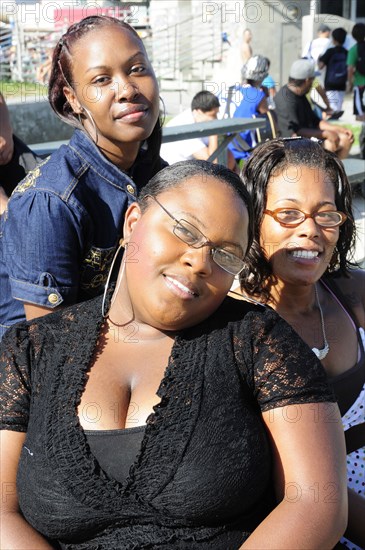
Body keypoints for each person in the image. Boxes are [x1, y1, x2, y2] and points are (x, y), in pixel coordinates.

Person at [0, 159, 347, 549]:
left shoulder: (259, 340)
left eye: (225, 254)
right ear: (133, 223)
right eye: (184, 230)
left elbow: (316, 503)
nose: (199, 262)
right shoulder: (31, 349)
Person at [0, 15, 166, 341]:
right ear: (73, 98)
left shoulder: (162, 178)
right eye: (102, 80)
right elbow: (50, 351)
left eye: (137, 69)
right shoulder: (50, 202)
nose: (128, 90)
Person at [236, 137, 365, 550]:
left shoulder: (352, 293)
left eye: (326, 215)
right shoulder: (233, 325)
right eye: (288, 214)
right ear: (254, 216)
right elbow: (297, 490)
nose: (310, 230)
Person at [274, 58, 354, 159]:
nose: (313, 83)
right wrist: (325, 134)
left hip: (309, 137)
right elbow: (294, 133)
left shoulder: (300, 94)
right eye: (312, 80)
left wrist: (339, 129)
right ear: (307, 80)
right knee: (328, 145)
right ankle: (327, 172)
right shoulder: (284, 100)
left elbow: (316, 121)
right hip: (294, 145)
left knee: (346, 139)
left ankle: (339, 172)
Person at [160, 91, 236, 170]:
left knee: (229, 158)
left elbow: (225, 154)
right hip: (175, 171)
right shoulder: (184, 127)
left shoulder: (200, 119)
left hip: (190, 165)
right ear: (197, 112)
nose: (216, 119)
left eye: (216, 114)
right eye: (212, 115)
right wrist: (214, 133)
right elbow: (212, 163)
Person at [218, 55, 269, 163]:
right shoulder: (258, 95)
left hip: (218, 142)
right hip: (241, 149)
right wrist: (267, 97)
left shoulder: (227, 89)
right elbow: (270, 121)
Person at [318, 27, 348, 113]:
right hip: (342, 84)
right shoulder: (346, 52)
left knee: (331, 109)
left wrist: (319, 59)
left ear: (334, 39)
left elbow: (320, 66)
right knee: (338, 108)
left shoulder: (330, 51)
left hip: (330, 84)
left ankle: (332, 124)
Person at [347, 23, 365, 122]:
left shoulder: (353, 50)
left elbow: (350, 69)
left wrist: (350, 83)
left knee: (360, 114)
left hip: (360, 85)